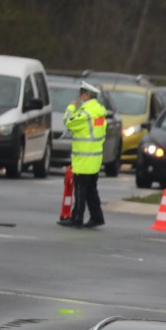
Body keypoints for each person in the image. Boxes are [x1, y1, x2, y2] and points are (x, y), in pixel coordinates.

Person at [60, 81, 106, 228]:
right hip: (95, 158)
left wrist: (71, 107)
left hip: (84, 159)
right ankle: (97, 217)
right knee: (91, 190)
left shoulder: (85, 113)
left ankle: (77, 219)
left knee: (80, 191)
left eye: (81, 94)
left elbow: (68, 122)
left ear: (87, 95)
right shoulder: (99, 111)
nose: (79, 97)